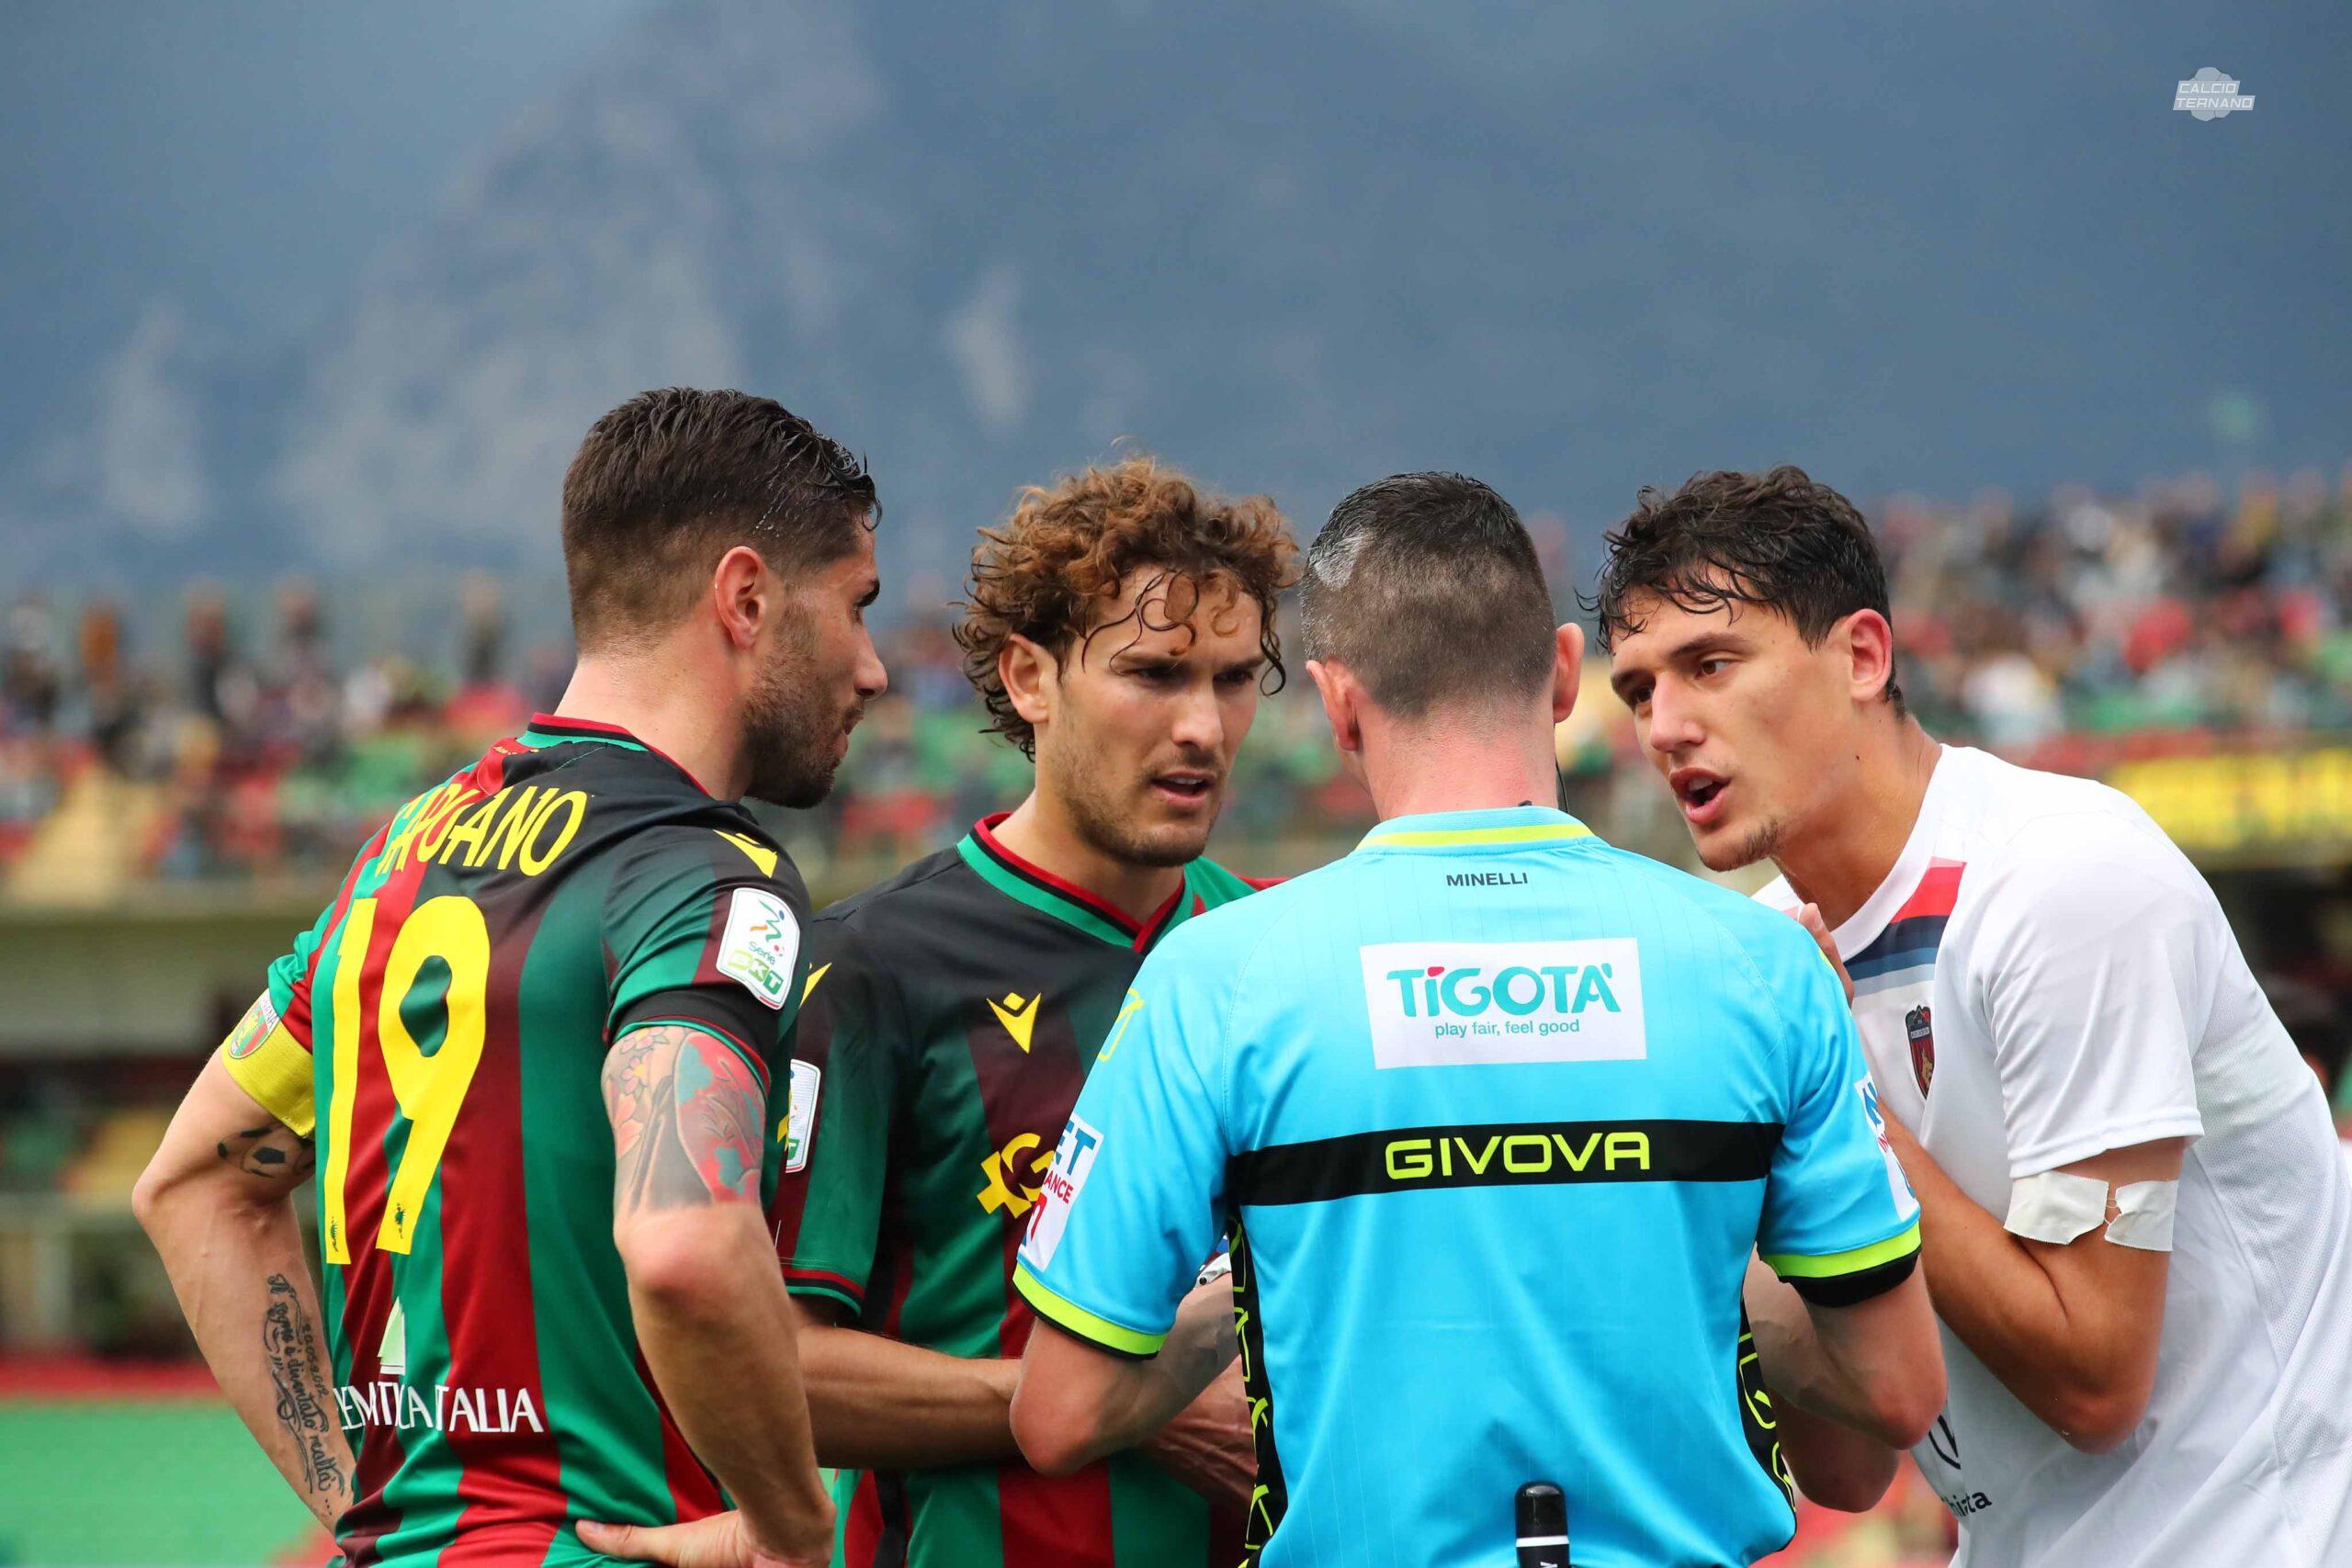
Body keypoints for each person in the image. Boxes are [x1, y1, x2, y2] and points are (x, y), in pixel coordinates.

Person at [1004, 473, 1944, 1568]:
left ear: (1336, 701)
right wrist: (1697, 1229)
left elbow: (1058, 1417)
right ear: (1558, 673)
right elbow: (1896, 1393)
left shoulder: (1216, 977)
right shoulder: (1763, 964)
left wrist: (1238, 1283)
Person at [134, 388, 887, 1568]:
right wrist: (795, 1533)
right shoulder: (704, 877)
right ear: (745, 599)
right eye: (857, 608)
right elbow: (686, 1247)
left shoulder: (404, 851)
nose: (875, 668)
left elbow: (192, 1185)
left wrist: (354, 1511)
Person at [1594, 465, 2352, 1567]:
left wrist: (1829, 1091)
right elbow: (1847, 1467)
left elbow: (2095, 1383)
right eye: (1637, 691)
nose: (1665, 726)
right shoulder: (1762, 955)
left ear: (1862, 655)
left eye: (1710, 665)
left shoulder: (2061, 880)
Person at [591, 456, 1296, 1568]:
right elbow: (779, 1366)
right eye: (1155, 675)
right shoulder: (874, 968)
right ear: (1029, 676)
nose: (1204, 727)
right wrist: (1114, 1399)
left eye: (1233, 678)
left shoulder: (1283, 951)